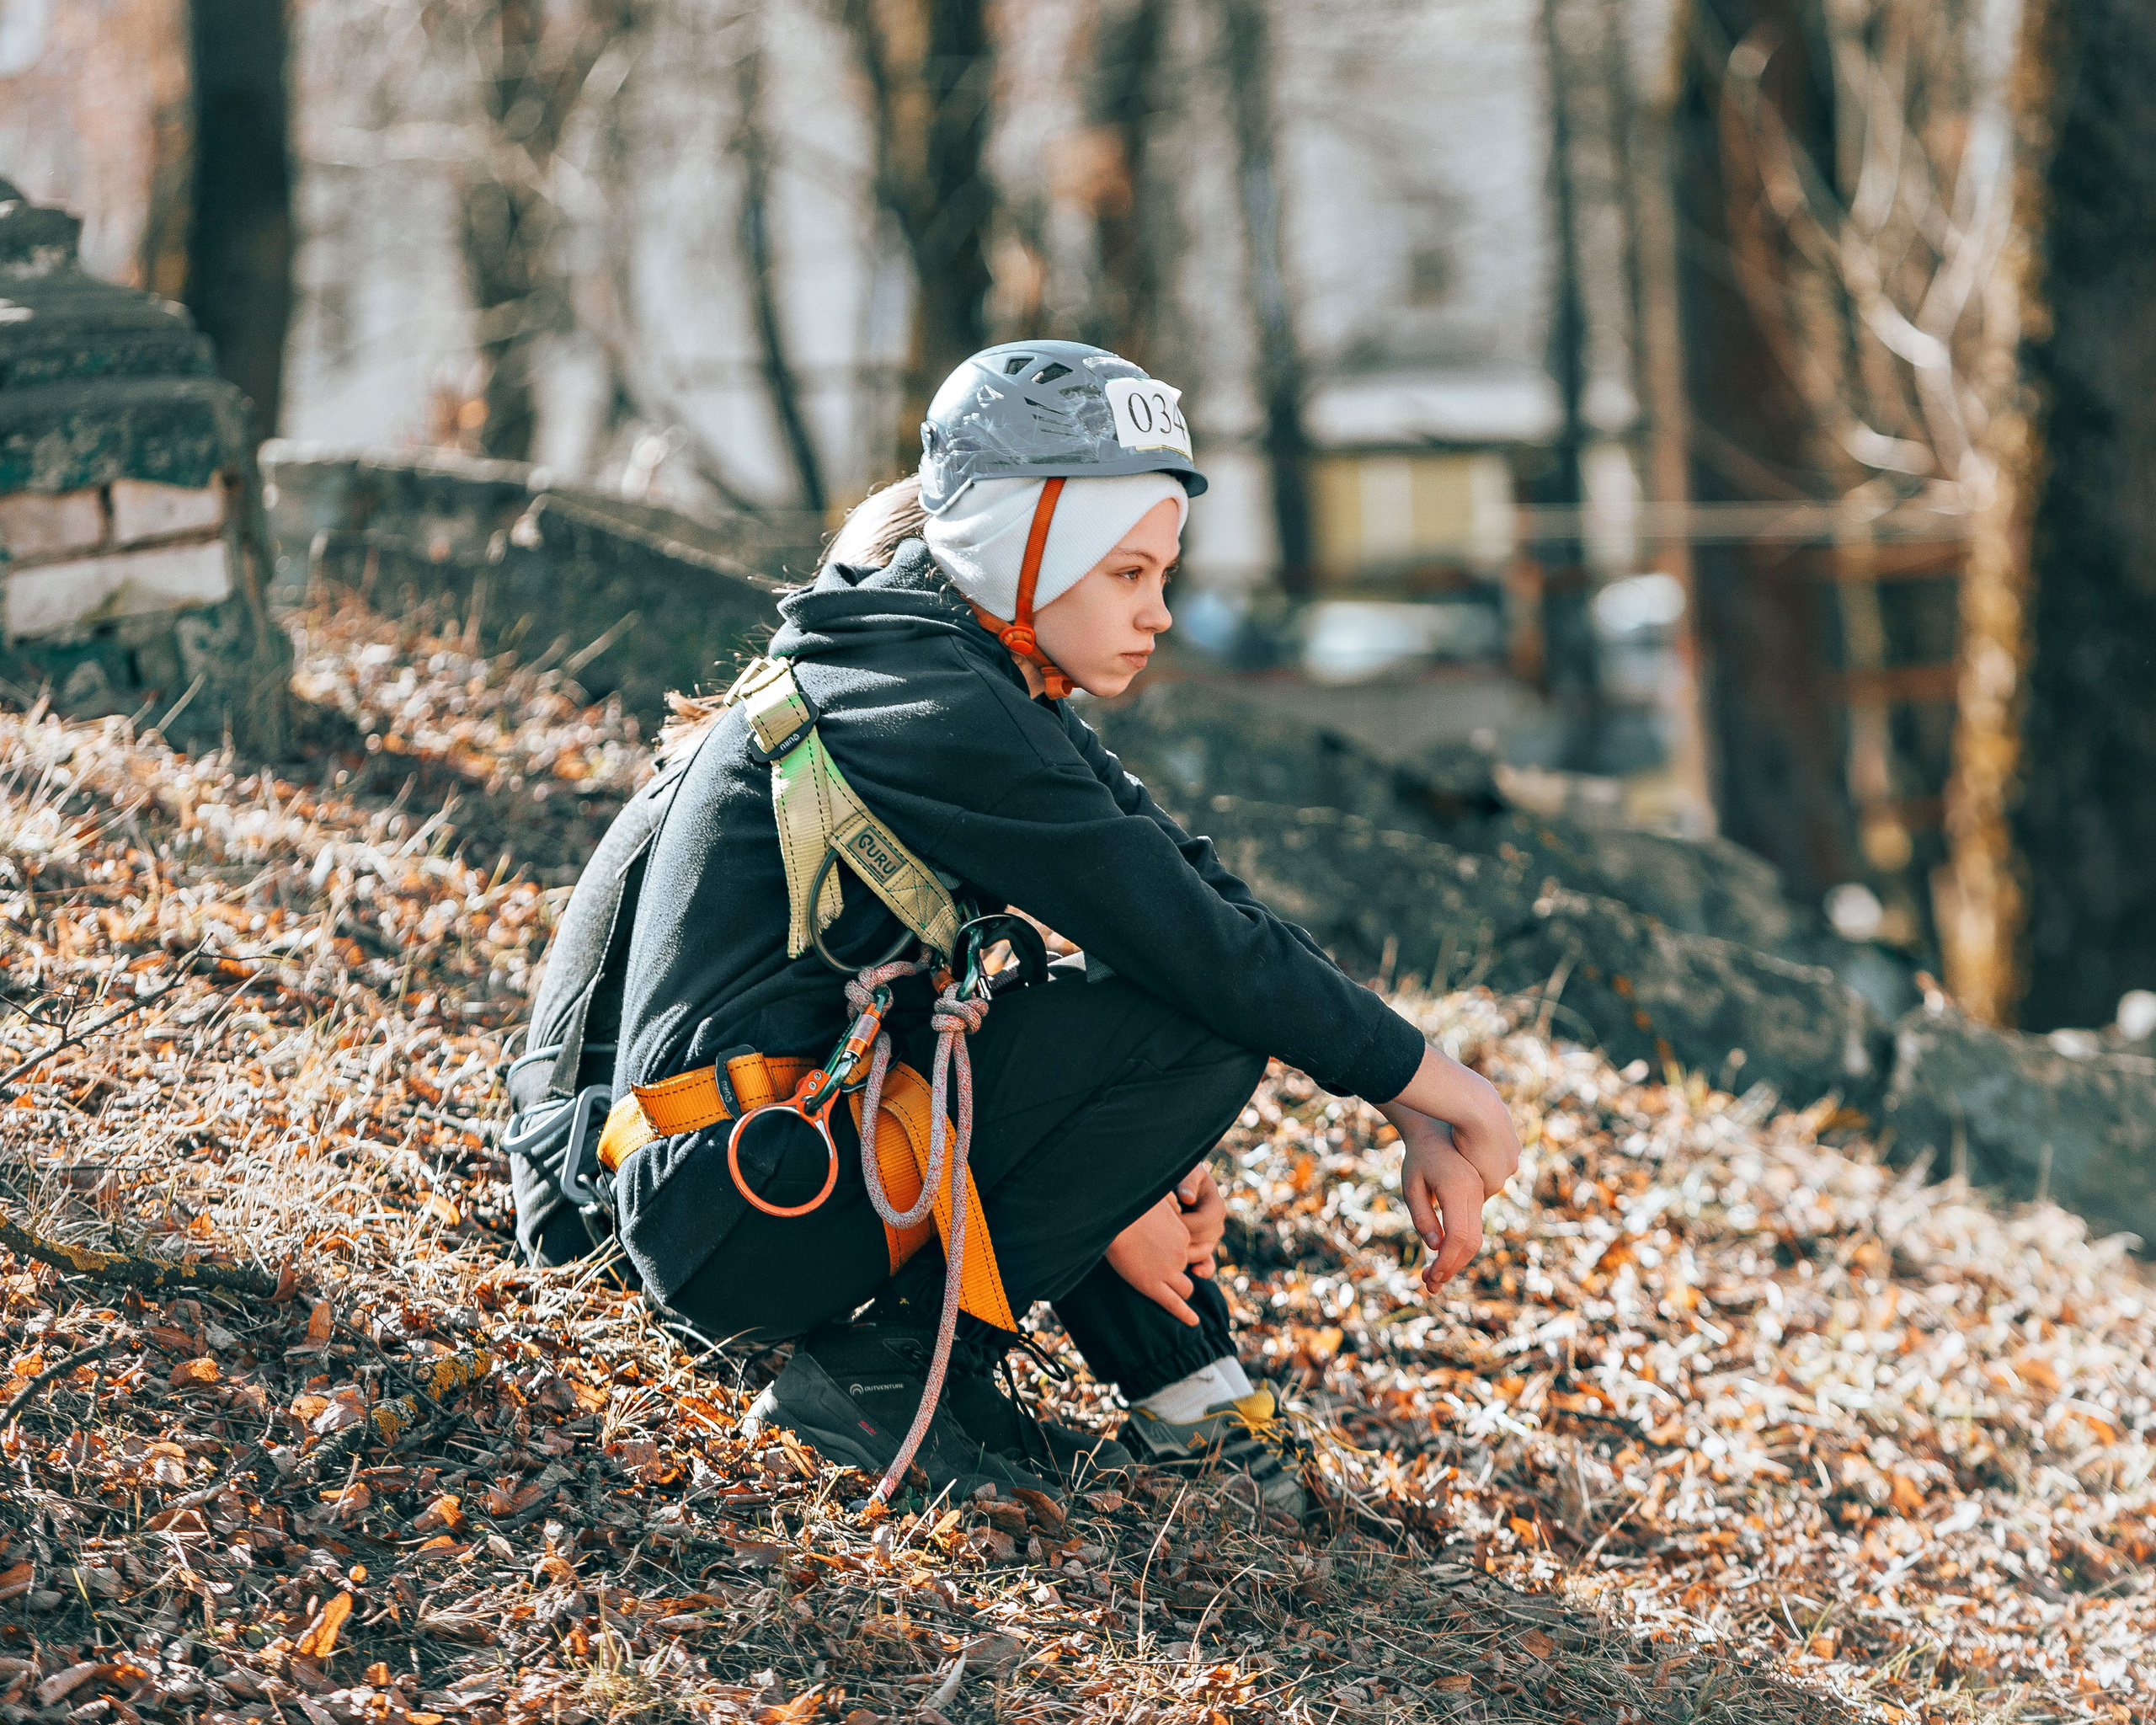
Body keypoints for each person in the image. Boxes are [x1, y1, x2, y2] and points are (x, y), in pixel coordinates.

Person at [505, 341, 1521, 1514]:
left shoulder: (947, 675)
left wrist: (1169, 1164)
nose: (1160, 613)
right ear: (1020, 551)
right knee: (1188, 1025)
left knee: (1148, 1025)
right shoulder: (924, 700)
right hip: (732, 1208)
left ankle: (1194, 1409)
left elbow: (1189, 887)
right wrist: (1441, 1086)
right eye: (1127, 574)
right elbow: (1187, 938)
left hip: (761, 1171)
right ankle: (886, 1386)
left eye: (1161, 573)